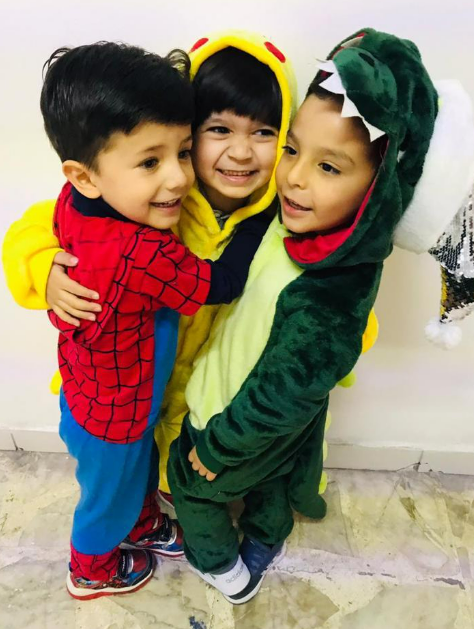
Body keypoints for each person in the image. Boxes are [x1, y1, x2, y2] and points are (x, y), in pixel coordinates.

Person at [166, 28, 474, 605]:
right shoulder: (294, 225)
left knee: (192, 490)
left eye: (329, 167)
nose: (294, 177)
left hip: (227, 424)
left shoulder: (334, 287)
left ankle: (226, 570)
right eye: (292, 149)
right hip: (256, 427)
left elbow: (284, 393)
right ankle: (267, 534)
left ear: (377, 190)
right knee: (272, 481)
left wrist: (216, 449)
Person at [32, 41, 268, 600]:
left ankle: (141, 523)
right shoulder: (141, 251)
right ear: (85, 175)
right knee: (105, 499)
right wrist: (259, 225)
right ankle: (91, 568)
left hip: (87, 391)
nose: (179, 178)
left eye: (183, 152)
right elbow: (221, 284)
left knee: (130, 477)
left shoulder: (73, 202)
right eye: (149, 162)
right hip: (117, 413)